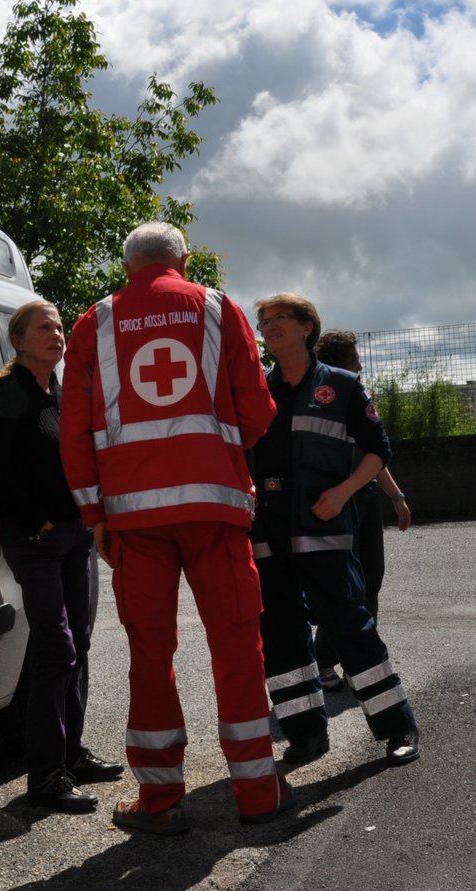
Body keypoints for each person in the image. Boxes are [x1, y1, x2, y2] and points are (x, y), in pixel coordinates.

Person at [59, 221, 288, 835]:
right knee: (238, 645)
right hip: (215, 509)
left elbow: (74, 433)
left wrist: (94, 516)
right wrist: (220, 451)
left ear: (128, 261)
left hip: (133, 520)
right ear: (181, 259)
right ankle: (258, 792)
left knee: (150, 655)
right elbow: (259, 407)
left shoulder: (94, 322)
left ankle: (159, 798)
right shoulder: (217, 308)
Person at [250, 293, 420, 766]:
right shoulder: (257, 390)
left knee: (350, 628)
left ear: (307, 326)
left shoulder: (343, 387)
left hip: (323, 532)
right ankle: (306, 735)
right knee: (281, 638)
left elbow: (377, 451)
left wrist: (343, 492)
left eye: (277, 318)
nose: (267, 327)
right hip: (269, 533)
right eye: (262, 321)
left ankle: (397, 725)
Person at [0, 301, 122, 813]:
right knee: (55, 649)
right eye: (44, 327)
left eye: (60, 326)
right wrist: (32, 517)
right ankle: (43, 777)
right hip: (36, 540)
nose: (56, 334)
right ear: (18, 341)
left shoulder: (61, 394)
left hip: (75, 535)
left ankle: (72, 754)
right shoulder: (6, 395)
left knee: (79, 644)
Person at [309, 329, 411, 690]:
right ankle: (323, 661)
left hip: (365, 500)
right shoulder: (323, 399)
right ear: (340, 362)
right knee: (346, 589)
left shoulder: (356, 395)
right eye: (355, 357)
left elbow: (375, 455)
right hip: (338, 503)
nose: (361, 364)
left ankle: (360, 664)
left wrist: (396, 498)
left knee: (372, 582)